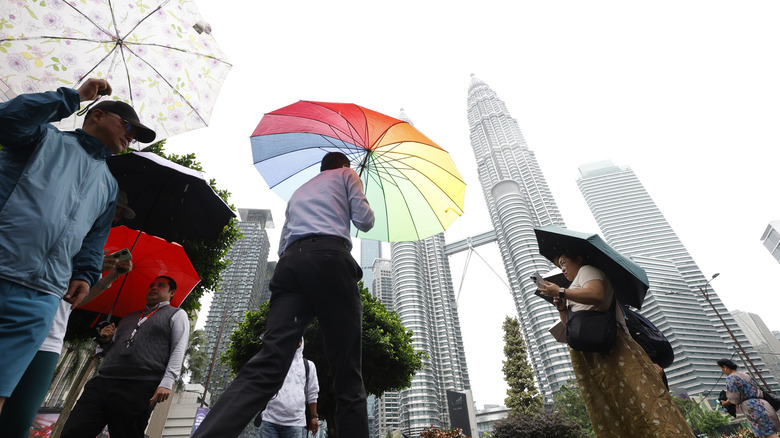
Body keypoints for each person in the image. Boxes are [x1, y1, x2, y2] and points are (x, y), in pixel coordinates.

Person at [192, 152, 374, 438]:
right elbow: (365, 221)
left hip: (291, 264)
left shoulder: (300, 191)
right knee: (347, 372)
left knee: (269, 361)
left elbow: (283, 243)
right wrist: (355, 191)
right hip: (330, 259)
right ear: (344, 166)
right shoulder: (347, 176)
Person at [0, 79, 155, 413]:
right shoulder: (41, 138)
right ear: (96, 115)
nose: (131, 136)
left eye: (137, 136)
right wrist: (73, 97)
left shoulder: (109, 185)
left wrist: (85, 273)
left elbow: (92, 240)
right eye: (128, 125)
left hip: (41, 297)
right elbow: (7, 119)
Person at [0, 194, 137, 438]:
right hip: (17, 323)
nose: (114, 217)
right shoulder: (58, 225)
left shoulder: (94, 249)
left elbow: (75, 299)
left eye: (119, 214)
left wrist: (110, 275)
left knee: (19, 420)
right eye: (113, 210)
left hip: (50, 339)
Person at [538, 249, 693, 437]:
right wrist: (562, 306)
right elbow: (570, 327)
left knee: (641, 402)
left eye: (563, 262)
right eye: (558, 265)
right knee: (621, 407)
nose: (561, 268)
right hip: (596, 357)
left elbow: (597, 295)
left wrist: (562, 291)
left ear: (578, 257)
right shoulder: (574, 287)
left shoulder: (587, 270)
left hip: (614, 352)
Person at [61, 276, 189, 438]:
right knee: (74, 431)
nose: (154, 288)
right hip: (103, 382)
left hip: (139, 386)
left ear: (172, 293)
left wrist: (167, 382)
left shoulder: (177, 314)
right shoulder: (129, 317)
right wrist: (105, 339)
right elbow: (109, 352)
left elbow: (179, 348)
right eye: (151, 285)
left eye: (161, 286)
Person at [257, 339, 319, 438]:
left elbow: (313, 393)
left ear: (302, 341)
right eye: (293, 337)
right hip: (270, 420)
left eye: (299, 338)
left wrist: (314, 416)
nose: (295, 340)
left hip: (295, 423)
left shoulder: (308, 366)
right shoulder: (274, 361)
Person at [718, 358, 780, 438]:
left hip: (752, 408)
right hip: (764, 404)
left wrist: (726, 402)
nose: (722, 371)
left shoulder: (730, 378)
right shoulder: (745, 375)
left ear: (725, 367)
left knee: (769, 435)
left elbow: (735, 397)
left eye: (721, 369)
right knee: (770, 433)